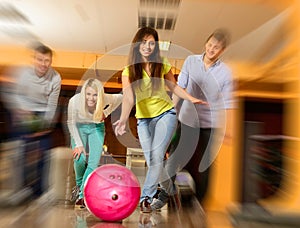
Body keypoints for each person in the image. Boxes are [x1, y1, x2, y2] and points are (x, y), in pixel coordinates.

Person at [113, 27, 207, 213]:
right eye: (144, 42)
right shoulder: (128, 71)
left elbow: (173, 86)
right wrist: (123, 119)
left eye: (152, 43)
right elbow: (129, 98)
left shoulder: (161, 63)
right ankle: (169, 189)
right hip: (143, 121)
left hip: (166, 114)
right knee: (153, 161)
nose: (147, 46)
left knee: (156, 157)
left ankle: (145, 198)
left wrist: (190, 98)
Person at [168, 28, 235, 205]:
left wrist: (228, 129)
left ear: (222, 51)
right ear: (206, 43)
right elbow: (179, 87)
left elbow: (228, 103)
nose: (212, 49)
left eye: (217, 47)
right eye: (210, 44)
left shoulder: (226, 72)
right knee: (176, 156)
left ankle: (201, 201)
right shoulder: (191, 61)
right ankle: (168, 193)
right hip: (188, 119)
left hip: (209, 124)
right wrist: (171, 112)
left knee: (206, 164)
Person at [1, 43, 61, 197]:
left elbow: (53, 103)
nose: (43, 64)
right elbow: (13, 94)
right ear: (34, 60)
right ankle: (20, 189)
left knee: (44, 152)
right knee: (21, 151)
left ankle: (39, 192)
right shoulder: (23, 73)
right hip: (24, 111)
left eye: (47, 60)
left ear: (51, 61)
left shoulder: (55, 77)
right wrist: (20, 109)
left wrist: (46, 125)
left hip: (43, 113)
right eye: (40, 60)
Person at [67, 78, 122, 209]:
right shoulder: (74, 101)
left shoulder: (106, 98)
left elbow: (120, 98)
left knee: (93, 162)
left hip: (96, 127)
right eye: (88, 94)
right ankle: (80, 187)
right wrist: (79, 145)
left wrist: (106, 112)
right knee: (79, 159)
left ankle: (81, 195)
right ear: (84, 93)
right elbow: (71, 122)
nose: (91, 98)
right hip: (78, 127)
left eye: (95, 95)